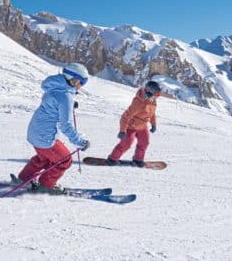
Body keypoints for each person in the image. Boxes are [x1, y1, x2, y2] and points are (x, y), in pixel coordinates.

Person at [17, 63, 90, 194]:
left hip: (34, 131)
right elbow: (66, 126)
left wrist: (69, 104)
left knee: (43, 159)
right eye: (81, 82)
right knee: (65, 160)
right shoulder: (65, 97)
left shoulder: (54, 87)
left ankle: (24, 178)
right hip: (45, 137)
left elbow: (54, 100)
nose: (81, 86)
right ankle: (46, 185)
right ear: (72, 80)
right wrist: (80, 142)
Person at [107, 80, 161, 167]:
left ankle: (138, 159)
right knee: (126, 143)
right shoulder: (139, 102)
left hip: (142, 126)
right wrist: (122, 131)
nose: (157, 96)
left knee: (144, 142)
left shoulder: (152, 101)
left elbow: (152, 113)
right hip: (131, 126)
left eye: (158, 95)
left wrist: (153, 124)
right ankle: (112, 158)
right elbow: (125, 116)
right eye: (157, 94)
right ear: (150, 91)